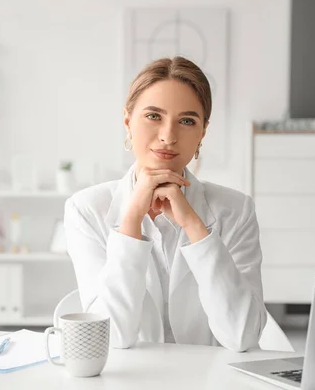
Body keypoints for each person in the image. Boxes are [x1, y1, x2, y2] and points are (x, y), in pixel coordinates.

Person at [64, 56, 267, 351]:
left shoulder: (236, 210)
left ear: (202, 133)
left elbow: (242, 336)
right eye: (153, 116)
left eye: (186, 121)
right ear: (127, 122)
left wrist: (196, 227)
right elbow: (110, 337)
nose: (168, 136)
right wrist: (131, 221)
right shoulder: (86, 209)